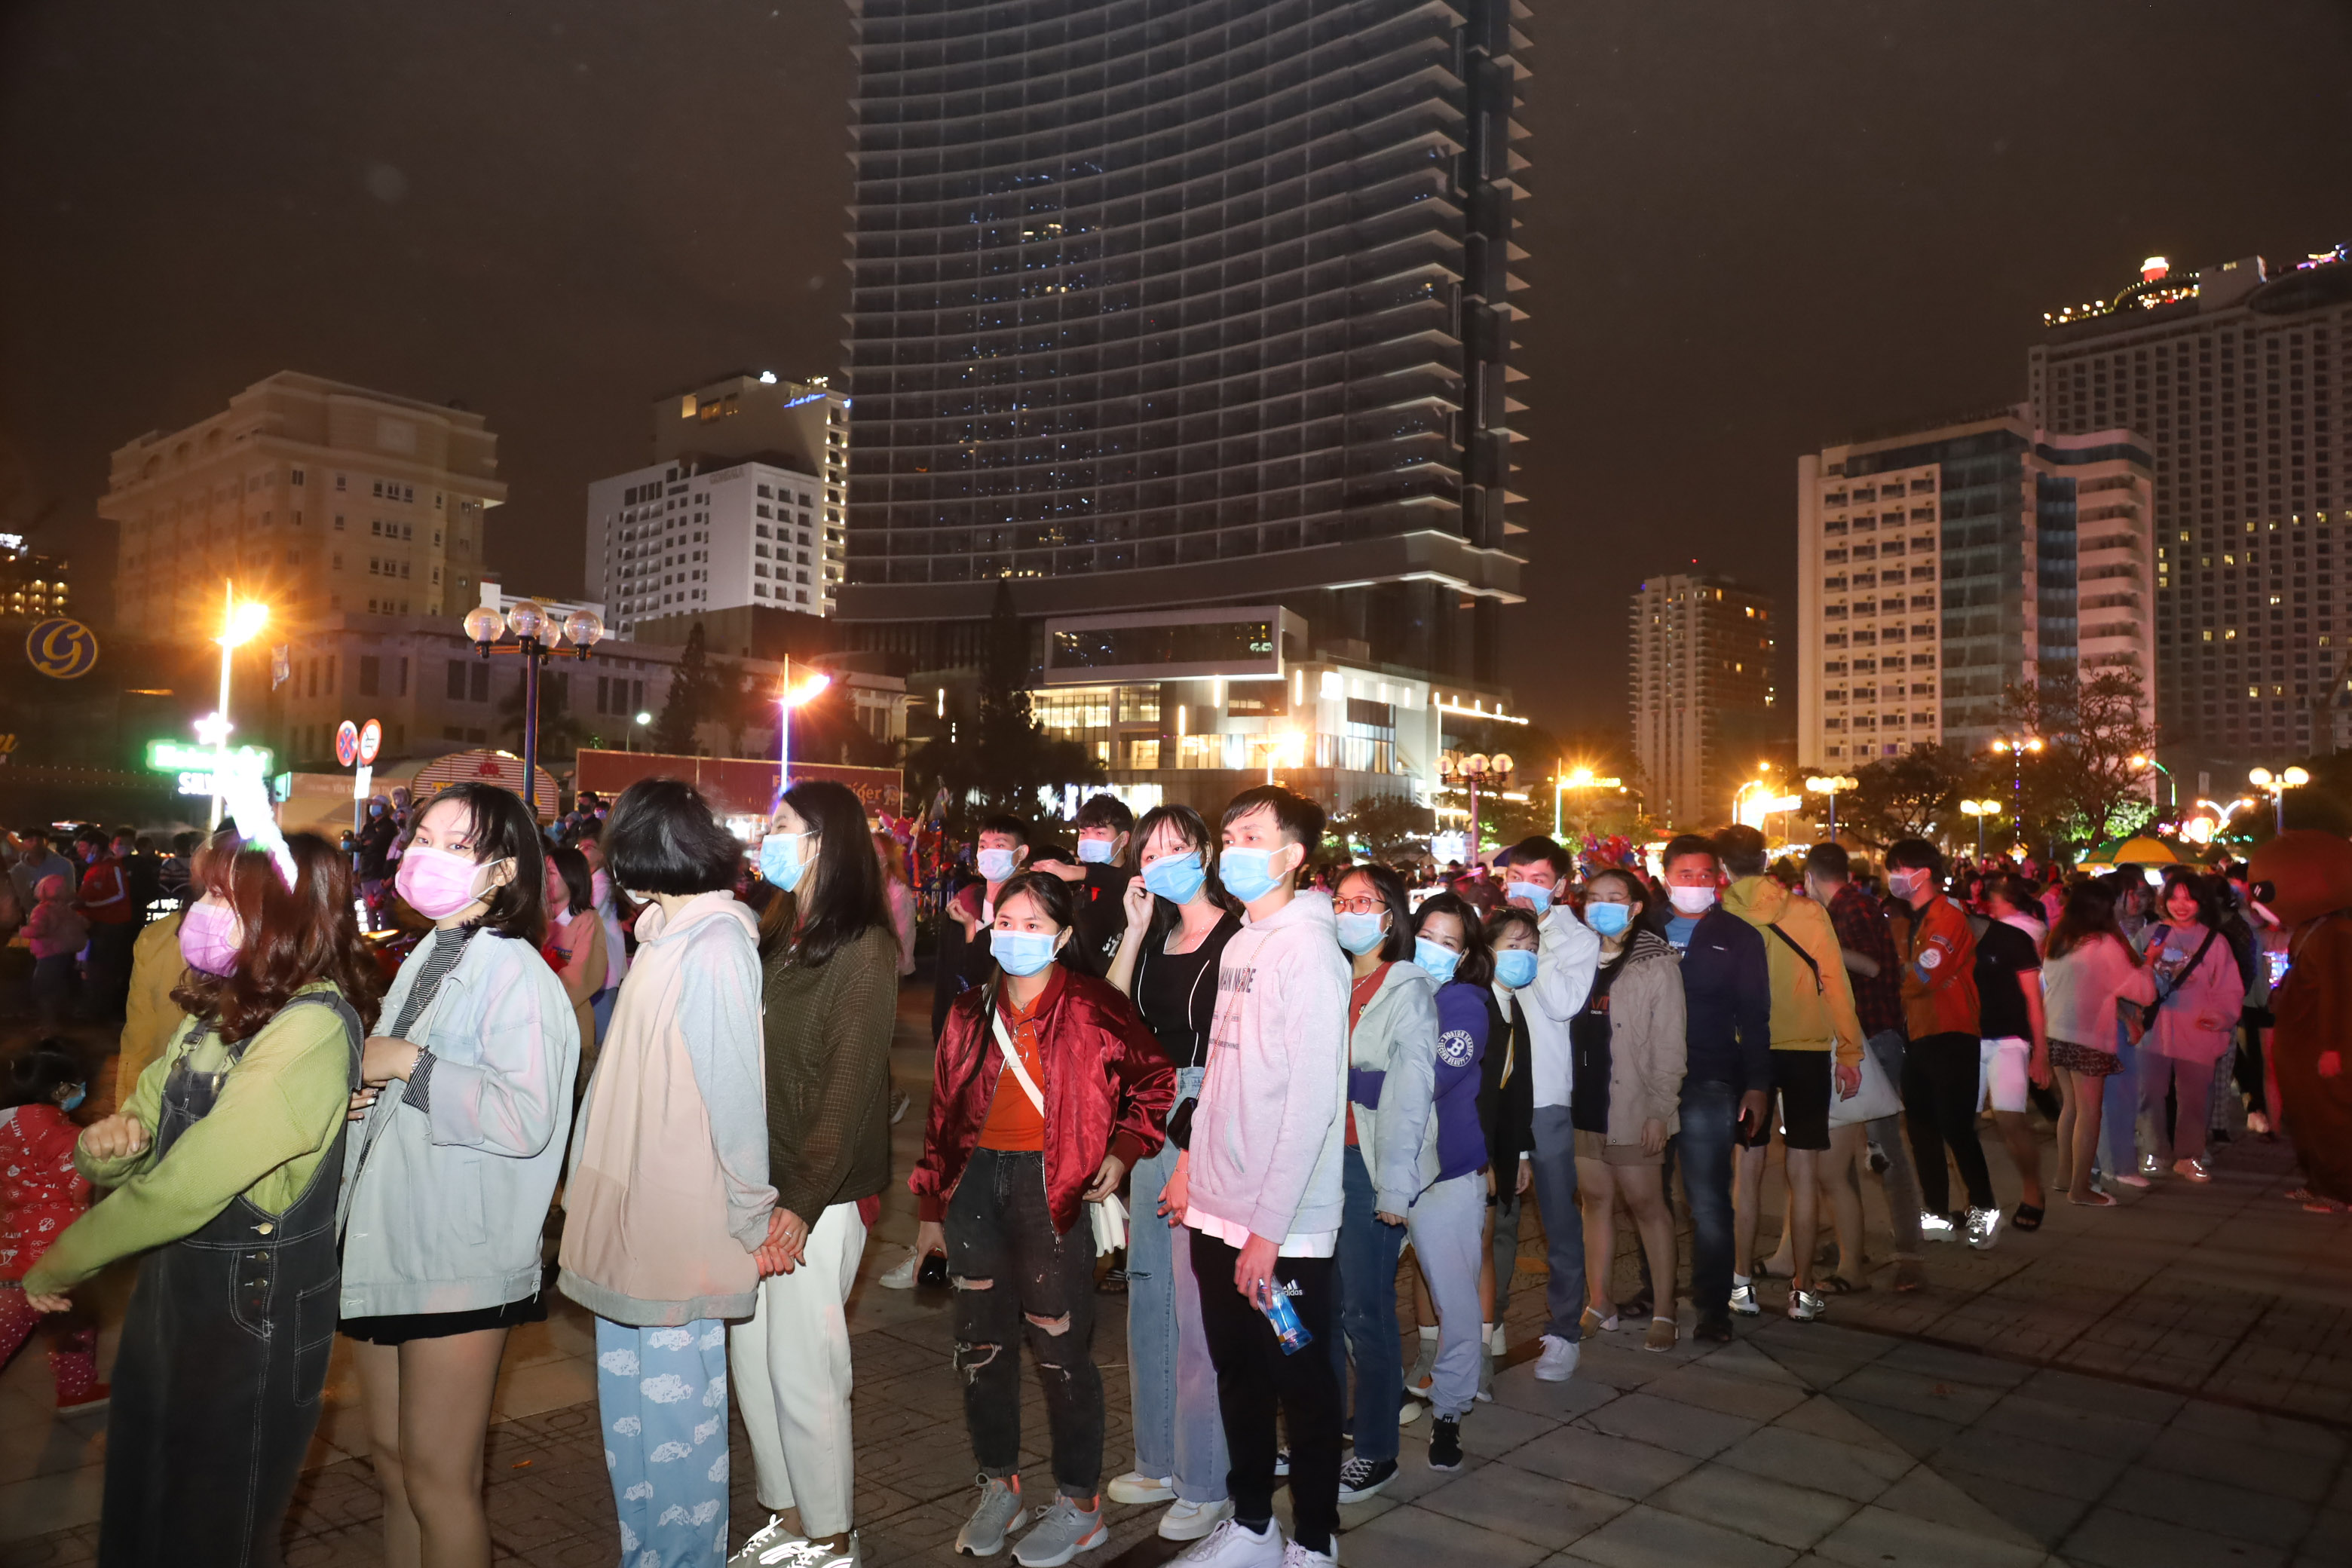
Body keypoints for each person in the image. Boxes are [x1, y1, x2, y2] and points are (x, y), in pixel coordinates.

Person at [23, 829, 378, 1566]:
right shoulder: (212, 1016)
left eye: (224, 894)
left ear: (283, 913)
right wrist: (105, 1150)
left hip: (249, 1317)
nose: (203, 910)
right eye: (205, 891)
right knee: (142, 1506)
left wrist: (62, 1261)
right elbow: (143, 1132)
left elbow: (186, 1186)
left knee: (213, 1529)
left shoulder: (310, 1029)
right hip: (171, 1299)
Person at [338, 783, 579, 1568]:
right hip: (388, 1245)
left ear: (503, 871)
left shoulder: (516, 973)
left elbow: (525, 1116)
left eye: (455, 844)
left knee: (441, 1477)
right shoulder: (427, 956)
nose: (423, 855)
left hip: (458, 1261)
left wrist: (405, 1063)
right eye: (422, 837)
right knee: (392, 1459)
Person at [913, 870, 1173, 1566]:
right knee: (980, 1348)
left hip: (1050, 1189)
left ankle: (1081, 1503)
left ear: (1061, 937)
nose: (1017, 936)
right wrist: (932, 1207)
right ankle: (1000, 1484)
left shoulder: (1092, 1008)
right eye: (1006, 921)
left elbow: (1155, 1080)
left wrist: (1121, 1153)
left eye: (1034, 925)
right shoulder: (969, 1012)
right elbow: (942, 1113)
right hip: (974, 1189)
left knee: (1060, 1351)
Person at [558, 779, 778, 1568]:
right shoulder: (665, 935)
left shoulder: (715, 943)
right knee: (638, 1428)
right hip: (632, 1219)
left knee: (679, 1434)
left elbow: (735, 1093)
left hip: (679, 1224)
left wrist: (753, 1213)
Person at [1162, 786, 1348, 1568]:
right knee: (1238, 1371)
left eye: (1251, 834)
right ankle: (1250, 1524)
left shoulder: (1309, 950)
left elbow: (1309, 1103)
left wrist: (1268, 1231)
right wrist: (1193, 1168)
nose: (1232, 846)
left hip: (1286, 1221)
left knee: (1300, 1380)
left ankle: (1313, 1537)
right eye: (1228, 833)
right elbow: (1222, 1080)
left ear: (1294, 854)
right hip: (1216, 1205)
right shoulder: (1240, 942)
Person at [729, 781, 900, 1568]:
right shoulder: (776, 931)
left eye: (784, 825)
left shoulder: (863, 946)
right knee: (755, 1360)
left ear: (825, 841)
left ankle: (832, 1534)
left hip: (818, 1194)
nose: (769, 836)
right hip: (758, 1185)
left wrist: (798, 1202)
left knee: (805, 1364)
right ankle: (788, 1512)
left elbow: (849, 1084)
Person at [1103, 804, 1241, 1542]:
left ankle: (1204, 1476)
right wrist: (1131, 928)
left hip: (1206, 1110)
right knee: (1148, 1290)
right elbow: (1114, 1015)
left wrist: (1192, 1154)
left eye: (1176, 846)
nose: (1161, 859)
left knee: (1197, 1304)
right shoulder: (1155, 938)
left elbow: (1230, 1057)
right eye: (1149, 850)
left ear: (1206, 852)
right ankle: (1156, 1457)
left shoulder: (1235, 939)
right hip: (1151, 1106)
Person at [1319, 859, 1436, 1499]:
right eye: (1340, 901)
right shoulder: (1327, 979)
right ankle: (1327, 1430)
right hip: (1315, 1168)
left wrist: (1396, 1189)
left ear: (1391, 917)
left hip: (1365, 1168)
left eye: (1363, 903)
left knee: (1367, 1313)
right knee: (1321, 1309)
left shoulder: (1406, 989)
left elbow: (1410, 1096)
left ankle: (1377, 1448)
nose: (1348, 913)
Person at [1717, 826, 1863, 1318]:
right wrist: (1849, 1052)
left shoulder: (1722, 917)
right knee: (1803, 1172)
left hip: (1745, 1054)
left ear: (1723, 868)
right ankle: (1802, 1292)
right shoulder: (1807, 912)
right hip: (1804, 1050)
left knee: (1748, 1170)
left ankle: (1741, 1287)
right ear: (1765, 859)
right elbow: (1835, 983)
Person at [1649, 836, 1772, 1339]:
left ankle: (1712, 1307)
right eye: (1685, 875)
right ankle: (1651, 1293)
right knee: (1646, 1196)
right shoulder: (1641, 928)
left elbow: (1757, 1018)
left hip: (1710, 1081)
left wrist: (1759, 1085)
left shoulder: (1738, 936)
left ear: (1718, 877)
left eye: (1705, 875)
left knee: (1709, 1203)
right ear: (1665, 877)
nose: (1696, 885)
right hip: (1645, 1084)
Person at [1562, 868, 1686, 1353]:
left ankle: (1665, 1310)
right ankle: (1600, 1303)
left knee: (1647, 1204)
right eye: (1593, 897)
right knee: (1595, 1201)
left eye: (1615, 897)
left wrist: (1661, 1108)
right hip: (1584, 1097)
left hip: (1633, 1101)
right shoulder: (1576, 955)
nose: (1602, 906)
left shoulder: (1656, 961)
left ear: (1636, 906)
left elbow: (1670, 1044)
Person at [1495, 835, 1600, 1383]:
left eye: (1539, 878)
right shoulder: (1490, 926)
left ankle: (1563, 1330)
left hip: (1545, 1097)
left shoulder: (1577, 938)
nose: (1525, 887)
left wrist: (1530, 947)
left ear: (1560, 886)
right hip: (1497, 1090)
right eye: (1517, 875)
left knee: (1558, 1216)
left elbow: (1562, 1003)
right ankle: (1491, 1321)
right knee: (1497, 1217)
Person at [1803, 844, 1925, 1292]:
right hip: (1864, 1037)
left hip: (1874, 1039)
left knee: (1884, 1151)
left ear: (1810, 877)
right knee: (1846, 1152)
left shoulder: (1850, 909)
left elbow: (1871, 966)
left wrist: (1820, 946)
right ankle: (1849, 1242)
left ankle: (1909, 1255)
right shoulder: (1854, 906)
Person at [1883, 839, 1997, 1246]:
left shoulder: (1947, 918)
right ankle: (1936, 1212)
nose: (1893, 877)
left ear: (1922, 872)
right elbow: (1916, 974)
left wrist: (1896, 975)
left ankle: (1983, 1210)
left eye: (1897, 868)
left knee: (1957, 1128)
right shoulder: (1908, 919)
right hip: (1917, 1034)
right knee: (1922, 1129)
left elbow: (1923, 977)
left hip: (1953, 1032)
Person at [0, 1039, 104, 1415]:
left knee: (73, 1319)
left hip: (11, 1244)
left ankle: (77, 1388)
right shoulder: (52, 1129)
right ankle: (76, 1389)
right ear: (62, 1089)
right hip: (51, 1252)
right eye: (79, 1085)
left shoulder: (7, 1123)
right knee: (39, 1319)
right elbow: (80, 1179)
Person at [2249, 832, 2352, 1209]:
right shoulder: (2312, 931)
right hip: (2300, 1048)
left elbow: (2338, 996)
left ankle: (2340, 1188)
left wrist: (2330, 1048)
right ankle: (2320, 1183)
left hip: (2319, 1050)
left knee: (2331, 1121)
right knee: (2308, 1121)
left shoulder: (2335, 935)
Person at [2041, 883, 2157, 1207]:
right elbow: (2144, 992)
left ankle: (2065, 1176)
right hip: (2087, 1037)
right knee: (2090, 1113)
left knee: (2071, 1108)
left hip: (2057, 1032)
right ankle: (2080, 1188)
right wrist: (2149, 962)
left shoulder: (2060, 939)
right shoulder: (2103, 943)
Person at [2133, 871, 2242, 1183]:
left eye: (2189, 898)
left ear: (2200, 902)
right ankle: (2153, 1150)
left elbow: (2229, 987)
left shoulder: (2215, 941)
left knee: (2195, 1097)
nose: (2182, 905)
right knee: (2150, 1093)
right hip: (2153, 1029)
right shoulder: (2149, 935)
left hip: (2197, 1031)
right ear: (2164, 900)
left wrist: (2222, 1016)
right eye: (2175, 897)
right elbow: (2128, 977)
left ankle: (2189, 1155)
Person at [1474, 908, 1539, 1378]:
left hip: (1501, 1142)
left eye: (1532, 949)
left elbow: (1518, 1087)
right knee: (1475, 1246)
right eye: (1514, 946)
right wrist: (1484, 1156)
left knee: (1498, 1238)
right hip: (1474, 1148)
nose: (1524, 957)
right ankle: (1470, 1343)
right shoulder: (1476, 1003)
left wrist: (1518, 1153)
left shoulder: (1511, 1003)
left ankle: (1490, 1327)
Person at [1970, 874, 2052, 1227]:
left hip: (2008, 1041)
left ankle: (2032, 1191)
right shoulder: (1951, 942)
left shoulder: (2012, 938)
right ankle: (1977, 1200)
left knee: (2010, 1119)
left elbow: (2035, 1000)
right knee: (1961, 1125)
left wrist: (2040, 1053)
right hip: (1967, 1040)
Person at [936, 815, 1031, 1041]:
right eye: (983, 845)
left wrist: (973, 931)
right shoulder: (963, 904)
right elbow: (946, 975)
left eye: (1000, 845)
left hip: (1008, 1033)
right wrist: (941, 1027)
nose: (989, 853)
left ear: (1021, 853)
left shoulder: (1029, 910)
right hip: (960, 1030)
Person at [543, 844, 609, 1071]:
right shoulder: (539, 918)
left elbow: (583, 975)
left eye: (550, 873)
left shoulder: (587, 921)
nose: (544, 880)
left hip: (568, 1021)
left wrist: (540, 1001)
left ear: (571, 877)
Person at [1068, 793, 1139, 974]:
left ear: (1123, 839)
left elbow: (1120, 881)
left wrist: (1079, 872)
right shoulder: (1073, 886)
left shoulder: (1137, 885)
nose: (1089, 840)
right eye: (1083, 833)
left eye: (1100, 833)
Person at [26, 874, 88, 1027]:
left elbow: (37, 930)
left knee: (43, 990)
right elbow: (85, 924)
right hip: (66, 954)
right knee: (60, 989)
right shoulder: (67, 910)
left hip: (47, 955)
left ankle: (48, 1025)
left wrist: (23, 931)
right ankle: (63, 1024)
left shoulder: (41, 910)